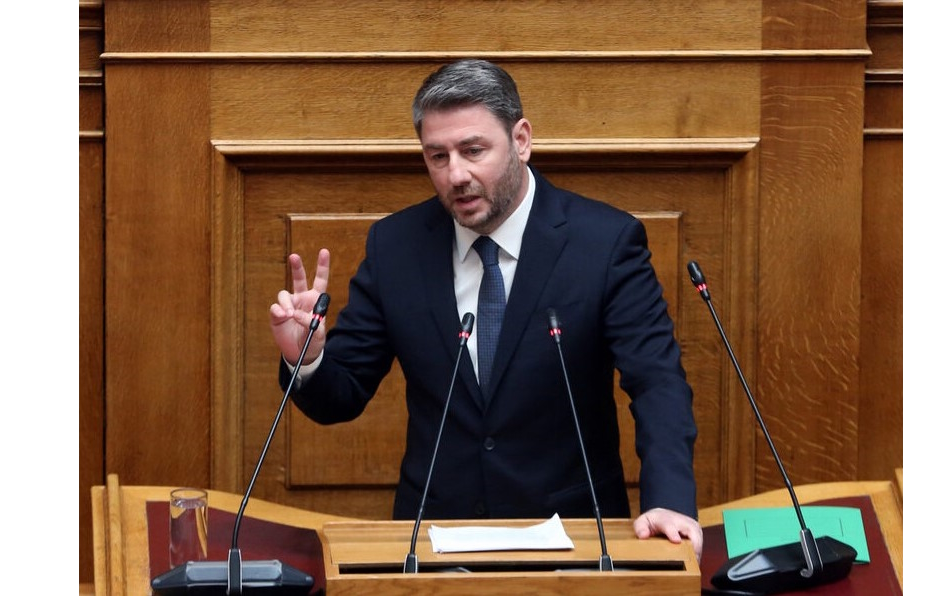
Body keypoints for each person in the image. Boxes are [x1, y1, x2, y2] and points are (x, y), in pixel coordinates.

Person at [269, 58, 703, 559]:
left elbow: (656, 382)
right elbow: (341, 397)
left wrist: (669, 501)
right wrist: (308, 359)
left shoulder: (604, 243)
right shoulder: (396, 246)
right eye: (437, 156)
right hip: (433, 544)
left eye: (473, 151)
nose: (456, 174)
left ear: (521, 140)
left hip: (575, 540)